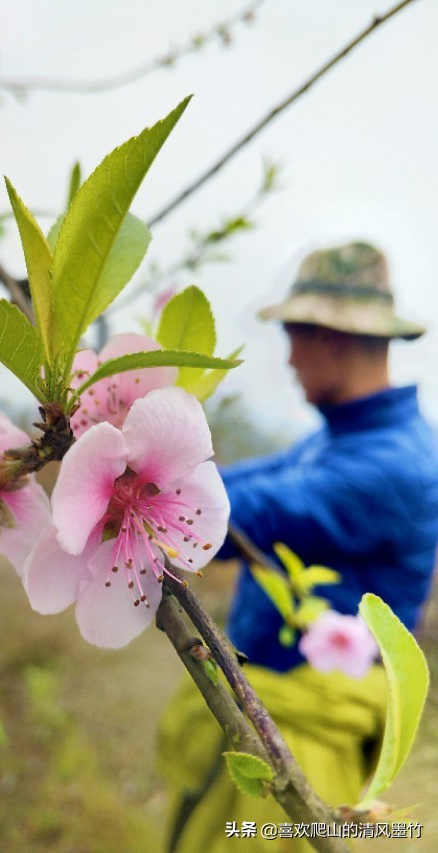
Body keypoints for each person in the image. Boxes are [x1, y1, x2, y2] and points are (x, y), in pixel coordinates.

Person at [158, 241, 438, 852]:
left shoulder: (396, 464)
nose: (288, 360)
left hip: (306, 741)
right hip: (263, 712)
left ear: (329, 336)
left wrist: (133, 481)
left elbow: (235, 511)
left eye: (292, 337)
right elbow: (250, 481)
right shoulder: (341, 438)